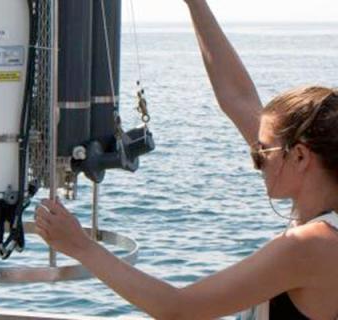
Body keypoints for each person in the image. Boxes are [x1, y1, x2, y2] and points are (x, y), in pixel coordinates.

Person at [35, 0, 338, 319]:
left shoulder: (310, 245)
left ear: (301, 156)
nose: (255, 160)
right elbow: (238, 98)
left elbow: (178, 308)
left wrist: (81, 246)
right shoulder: (319, 206)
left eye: (261, 152)